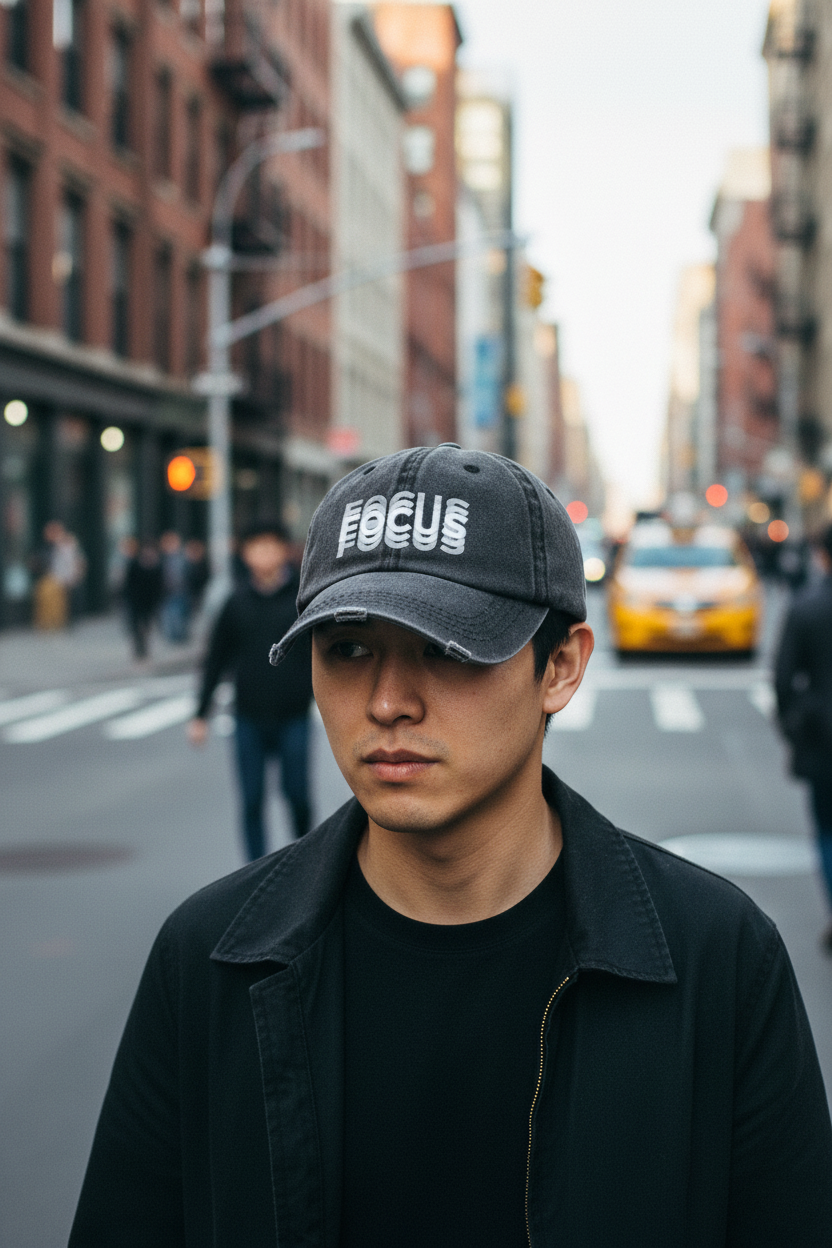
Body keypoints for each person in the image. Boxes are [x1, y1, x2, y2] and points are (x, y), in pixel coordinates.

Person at [70, 445, 832, 1247]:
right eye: (348, 649)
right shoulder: (209, 961)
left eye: (448, 648)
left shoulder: (717, 958)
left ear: (561, 666)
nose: (389, 702)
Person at [188, 521, 313, 858]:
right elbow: (216, 660)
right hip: (248, 717)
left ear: (285, 551)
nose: (265, 554)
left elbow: (321, 658)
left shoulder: (302, 599)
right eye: (257, 547)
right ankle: (254, 872)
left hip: (294, 715)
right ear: (245, 554)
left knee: (298, 795)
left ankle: (309, 862)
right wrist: (200, 715)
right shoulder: (236, 602)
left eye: (272, 545)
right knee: (251, 800)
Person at [775, 521, 832, 951]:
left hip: (822, 740)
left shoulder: (807, 606)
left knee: (827, 831)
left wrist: (792, 728)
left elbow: (782, 676)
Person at [122, 540, 163, 660]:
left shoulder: (156, 566)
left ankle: (144, 649)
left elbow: (158, 586)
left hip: (149, 602)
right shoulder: (134, 564)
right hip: (135, 601)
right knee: (136, 627)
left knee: (146, 626)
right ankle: (138, 650)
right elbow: (128, 584)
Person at [159, 531, 190, 643]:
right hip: (167, 592)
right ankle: (174, 637)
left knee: (179, 614)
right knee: (170, 615)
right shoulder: (162, 560)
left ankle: (179, 636)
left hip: (181, 591)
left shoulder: (183, 558)